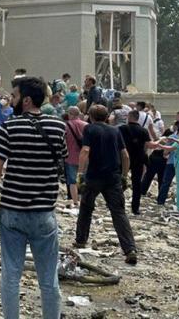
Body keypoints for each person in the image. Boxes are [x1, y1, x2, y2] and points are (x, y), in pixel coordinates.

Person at [0, 76, 66, 319]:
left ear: (26, 100)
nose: (11, 100)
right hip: (44, 213)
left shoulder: (10, 126)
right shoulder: (58, 126)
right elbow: (61, 161)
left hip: (13, 211)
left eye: (14, 96)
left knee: (11, 275)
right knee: (49, 279)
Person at [75, 104, 137, 264]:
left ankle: (81, 240)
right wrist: (125, 176)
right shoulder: (115, 130)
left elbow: (85, 151)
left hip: (94, 176)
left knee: (86, 209)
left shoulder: (89, 129)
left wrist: (80, 173)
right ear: (107, 116)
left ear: (91, 116)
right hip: (113, 177)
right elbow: (125, 155)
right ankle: (130, 249)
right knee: (119, 213)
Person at [156, 114, 179, 209]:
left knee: (169, 183)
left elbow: (167, 150)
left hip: (175, 163)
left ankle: (164, 202)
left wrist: (160, 146)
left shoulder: (174, 138)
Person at [118, 110, 149, 214]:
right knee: (137, 184)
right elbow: (146, 145)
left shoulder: (122, 129)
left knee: (120, 181)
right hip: (138, 159)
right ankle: (135, 208)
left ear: (129, 117)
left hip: (123, 158)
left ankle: (117, 204)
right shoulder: (143, 130)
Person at [63, 106, 87, 207]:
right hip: (85, 157)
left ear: (71, 114)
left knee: (72, 181)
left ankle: (75, 202)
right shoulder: (86, 125)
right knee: (84, 179)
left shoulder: (66, 126)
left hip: (70, 157)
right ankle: (84, 201)